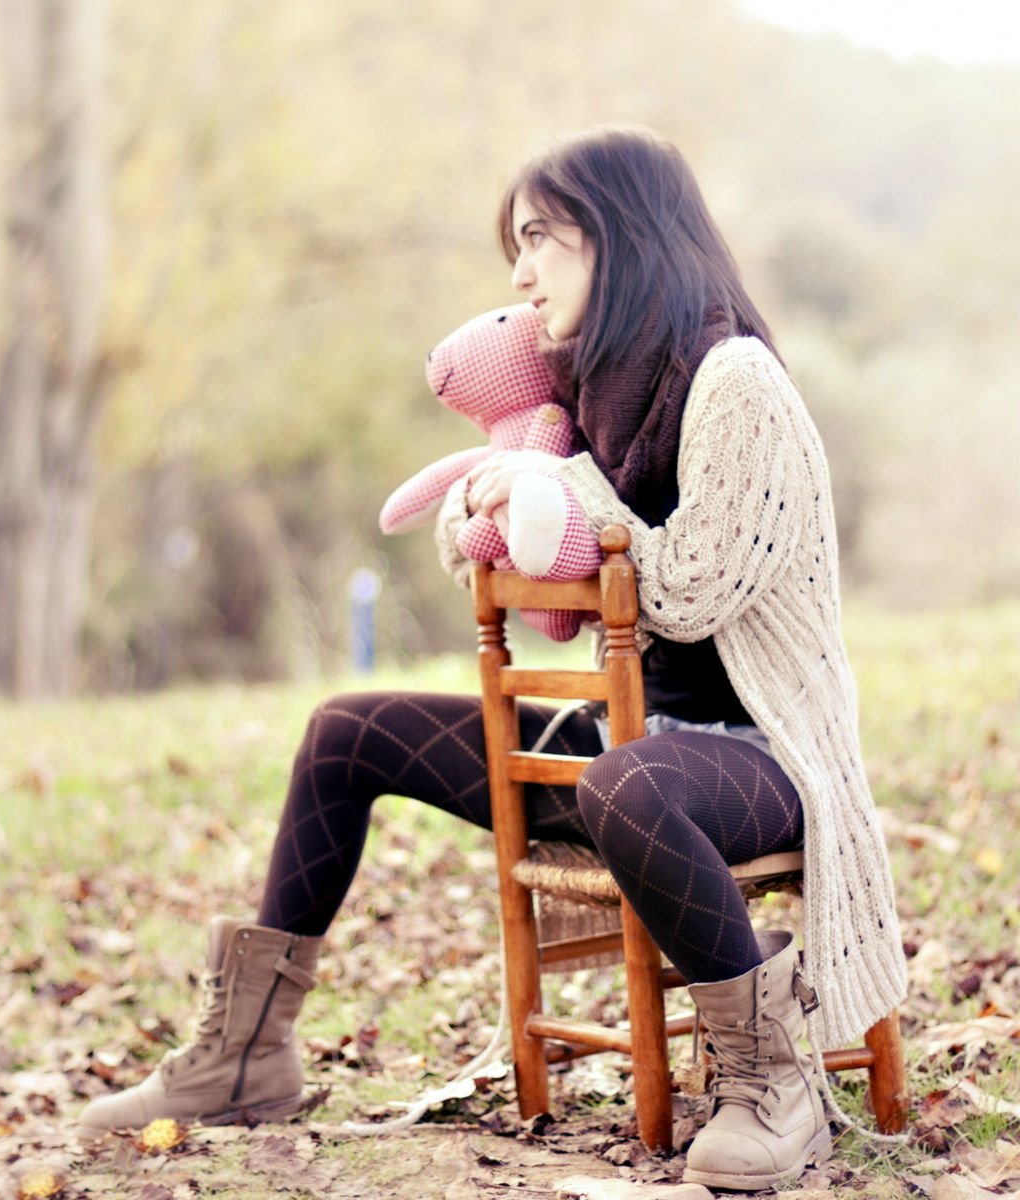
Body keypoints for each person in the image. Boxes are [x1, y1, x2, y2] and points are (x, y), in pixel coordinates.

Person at [77, 126, 909, 1193]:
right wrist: (500, 491)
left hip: (761, 753)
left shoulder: (732, 380)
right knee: (347, 733)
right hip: (632, 746)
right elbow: (515, 555)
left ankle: (773, 1082)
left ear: (622, 238)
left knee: (628, 785)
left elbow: (693, 589)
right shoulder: (588, 395)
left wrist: (565, 496)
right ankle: (244, 1057)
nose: (519, 271)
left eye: (542, 238)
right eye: (514, 245)